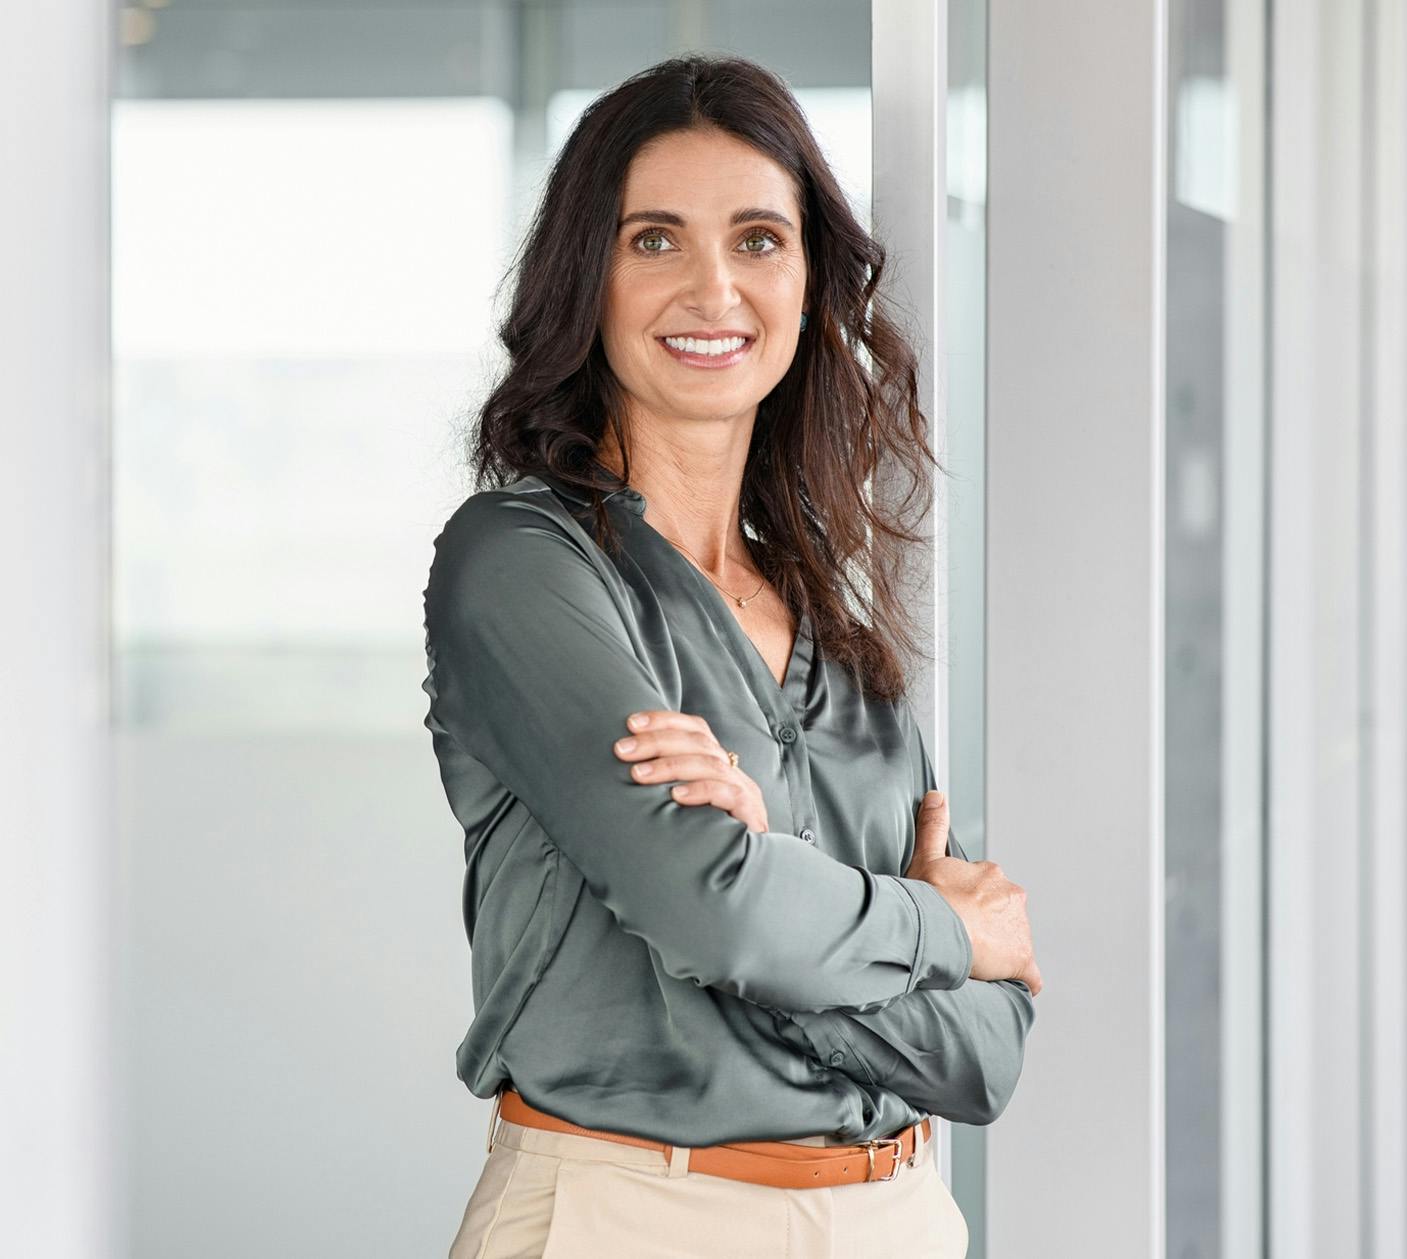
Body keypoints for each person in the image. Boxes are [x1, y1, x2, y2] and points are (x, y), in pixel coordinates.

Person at [420, 52, 1041, 1259]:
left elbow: (989, 1051)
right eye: (655, 239)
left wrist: (781, 887)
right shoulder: (524, 562)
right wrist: (938, 928)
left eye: (759, 239)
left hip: (898, 1215)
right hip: (640, 1212)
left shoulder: (834, 619)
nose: (714, 286)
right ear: (584, 278)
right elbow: (731, 923)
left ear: (809, 284)